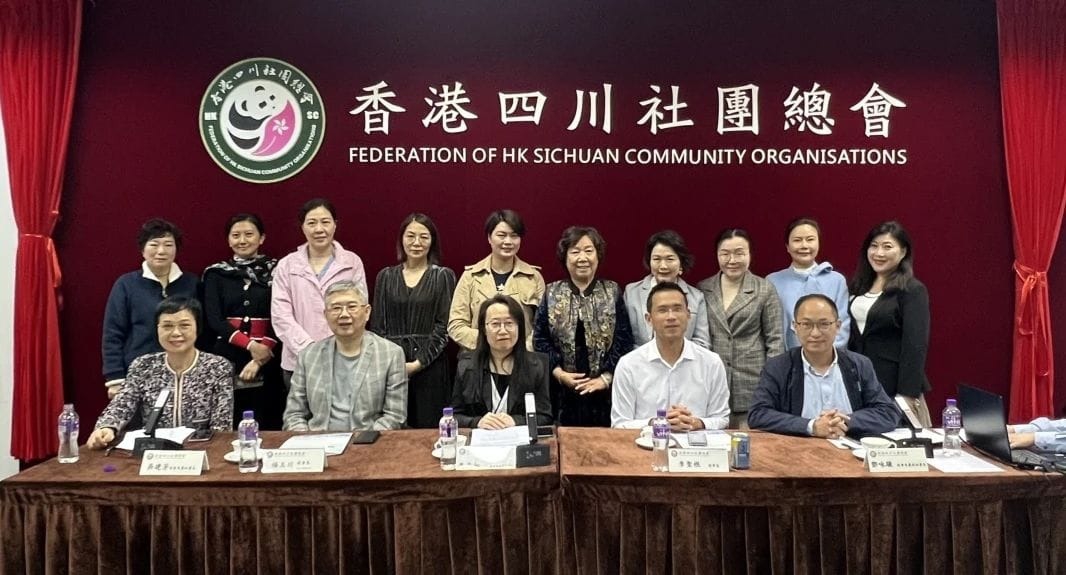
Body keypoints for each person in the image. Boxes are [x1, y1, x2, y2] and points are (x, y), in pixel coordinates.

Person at [87, 297, 233, 448]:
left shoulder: (218, 367)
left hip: (201, 450)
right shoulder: (143, 366)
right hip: (153, 451)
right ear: (157, 329)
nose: (176, 333)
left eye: (184, 325)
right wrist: (106, 427)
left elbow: (221, 426)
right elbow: (122, 405)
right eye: (167, 326)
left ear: (198, 327)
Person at [748, 294, 898, 438]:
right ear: (795, 327)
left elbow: (887, 412)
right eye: (806, 324)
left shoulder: (859, 364)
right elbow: (758, 414)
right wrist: (812, 426)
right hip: (798, 448)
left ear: (838, 326)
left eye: (824, 324)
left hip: (849, 446)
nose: (815, 333)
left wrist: (844, 421)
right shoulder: (778, 367)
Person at [534, 226, 633, 426]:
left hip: (605, 392)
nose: (582, 258)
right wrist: (560, 374)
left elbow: (624, 339)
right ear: (565, 257)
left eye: (589, 251)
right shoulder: (551, 292)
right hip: (561, 392)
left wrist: (605, 378)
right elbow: (540, 340)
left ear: (598, 255)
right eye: (575, 251)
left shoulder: (612, 291)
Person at [283, 281, 407, 431]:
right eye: (336, 308)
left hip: (368, 440)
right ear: (325, 315)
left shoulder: (391, 354)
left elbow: (394, 416)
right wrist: (306, 439)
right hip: (318, 439)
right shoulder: (308, 356)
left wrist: (365, 440)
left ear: (367, 312)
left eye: (352, 307)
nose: (344, 314)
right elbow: (294, 414)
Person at [370, 213, 456, 428]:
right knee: (392, 428)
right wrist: (395, 364)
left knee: (430, 429)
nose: (417, 242)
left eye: (424, 237)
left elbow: (444, 326)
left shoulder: (443, 276)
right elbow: (378, 327)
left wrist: (418, 364)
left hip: (431, 366)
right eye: (410, 236)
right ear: (401, 239)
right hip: (391, 366)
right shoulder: (385, 277)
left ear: (432, 241)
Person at [272, 198, 367, 388]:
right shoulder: (287, 265)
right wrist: (310, 350)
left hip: (344, 360)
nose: (319, 229)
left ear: (335, 225)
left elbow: (358, 310)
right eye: (311, 223)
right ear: (302, 227)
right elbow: (280, 316)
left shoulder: (352, 262)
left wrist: (335, 349)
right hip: (298, 362)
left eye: (325, 222)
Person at [202, 213, 285, 429]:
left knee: (269, 418)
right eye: (236, 235)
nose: (242, 240)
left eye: (249, 234)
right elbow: (214, 319)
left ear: (262, 238)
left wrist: (261, 355)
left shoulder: (279, 271)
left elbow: (283, 315)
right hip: (226, 355)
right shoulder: (216, 274)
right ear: (228, 240)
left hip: (270, 354)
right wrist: (249, 345)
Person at [847, 221, 933, 427]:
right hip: (861, 383)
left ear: (903, 252)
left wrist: (907, 395)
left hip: (894, 386)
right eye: (874, 246)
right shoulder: (858, 286)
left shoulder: (912, 290)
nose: (879, 253)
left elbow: (915, 346)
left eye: (887, 247)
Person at [611, 282, 730, 430]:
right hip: (646, 443)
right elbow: (619, 423)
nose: (671, 316)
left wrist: (696, 423)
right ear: (649, 319)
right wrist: (656, 423)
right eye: (662, 310)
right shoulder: (629, 365)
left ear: (688, 315)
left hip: (696, 443)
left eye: (677, 309)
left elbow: (722, 418)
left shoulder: (711, 363)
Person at [102, 218, 199, 399]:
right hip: (138, 374)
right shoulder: (126, 284)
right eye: (154, 244)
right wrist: (115, 378)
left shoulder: (192, 283)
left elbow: (202, 331)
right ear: (143, 249)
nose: (161, 251)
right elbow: (113, 334)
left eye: (168, 245)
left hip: (186, 374)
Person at [698, 229, 785, 428]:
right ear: (717, 255)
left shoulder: (764, 289)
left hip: (752, 384)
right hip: (712, 384)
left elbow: (775, 340)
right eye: (725, 253)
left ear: (750, 254)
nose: (732, 260)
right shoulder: (704, 288)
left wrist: (770, 383)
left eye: (739, 253)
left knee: (749, 445)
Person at [449, 209, 545, 351]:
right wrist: (490, 343)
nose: (508, 241)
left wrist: (520, 349)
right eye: (501, 235)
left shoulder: (533, 277)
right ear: (489, 237)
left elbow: (543, 326)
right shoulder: (470, 276)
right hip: (478, 357)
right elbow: (456, 325)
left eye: (514, 236)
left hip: (523, 358)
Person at [451, 295, 553, 429]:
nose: (503, 331)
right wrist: (477, 422)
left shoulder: (537, 365)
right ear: (484, 329)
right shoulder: (466, 366)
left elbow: (545, 417)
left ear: (519, 327)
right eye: (495, 324)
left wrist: (516, 421)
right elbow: (454, 416)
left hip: (519, 439)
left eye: (509, 323)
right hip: (481, 439)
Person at [767, 218, 850, 350]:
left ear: (818, 243)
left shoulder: (836, 281)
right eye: (797, 240)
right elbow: (770, 328)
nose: (804, 245)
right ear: (787, 246)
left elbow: (843, 326)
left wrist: (825, 356)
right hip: (786, 358)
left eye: (810, 239)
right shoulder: (773, 281)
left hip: (828, 358)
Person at [624, 230, 710, 348]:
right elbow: (624, 340)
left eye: (670, 259)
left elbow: (702, 343)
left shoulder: (696, 297)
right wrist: (647, 356)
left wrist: (672, 355)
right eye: (656, 259)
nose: (663, 266)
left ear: (681, 263)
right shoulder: (631, 292)